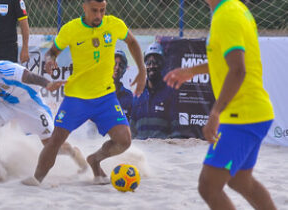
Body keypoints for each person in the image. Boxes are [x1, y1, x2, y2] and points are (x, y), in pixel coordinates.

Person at [164, 0, 276, 209]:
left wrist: (215, 113)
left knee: (208, 187)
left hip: (242, 115)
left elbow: (238, 70)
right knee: (241, 180)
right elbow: (225, 61)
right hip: (252, 113)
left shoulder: (227, 14)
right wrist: (190, 71)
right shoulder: (232, 9)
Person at [22, 0, 146, 186]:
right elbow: (52, 52)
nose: (98, 15)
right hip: (77, 98)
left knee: (124, 141)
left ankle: (95, 160)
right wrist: (49, 60)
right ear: (84, 7)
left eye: (102, 10)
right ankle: (36, 179)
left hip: (105, 97)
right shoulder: (71, 29)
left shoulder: (114, 24)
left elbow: (133, 42)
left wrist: (142, 70)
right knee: (55, 141)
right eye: (94, 10)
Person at [0, 48, 88, 176]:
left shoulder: (6, 69)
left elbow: (29, 76)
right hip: (2, 104)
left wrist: (47, 84)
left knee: (52, 147)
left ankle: (72, 152)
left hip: (28, 102)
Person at [130, 42, 180, 139]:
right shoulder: (137, 94)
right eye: (149, 63)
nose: (152, 66)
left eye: (156, 62)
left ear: (162, 65)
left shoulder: (170, 93)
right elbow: (132, 130)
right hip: (141, 148)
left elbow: (175, 131)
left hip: (160, 149)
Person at [113, 50, 133, 121]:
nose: (117, 67)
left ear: (124, 70)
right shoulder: (99, 94)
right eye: (114, 63)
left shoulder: (129, 96)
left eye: (120, 65)